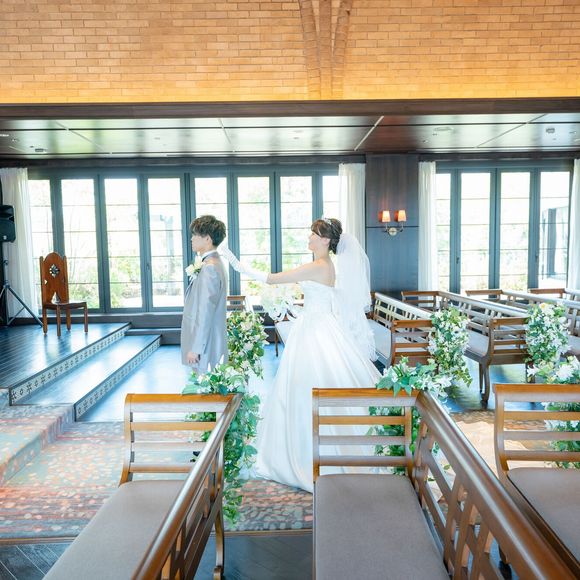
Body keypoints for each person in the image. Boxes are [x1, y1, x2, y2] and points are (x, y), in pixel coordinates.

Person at [221, 218, 380, 493]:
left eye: (313, 234)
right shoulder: (325, 265)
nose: (309, 238)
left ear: (326, 240)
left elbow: (273, 278)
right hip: (316, 324)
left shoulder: (319, 266)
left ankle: (305, 453)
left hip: (315, 331)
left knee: (308, 383)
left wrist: (237, 264)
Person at [181, 215, 228, 372]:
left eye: (195, 235)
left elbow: (205, 311)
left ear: (207, 239)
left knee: (206, 383)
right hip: (210, 340)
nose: (191, 239)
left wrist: (196, 348)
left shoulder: (209, 268)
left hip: (207, 344)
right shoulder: (214, 263)